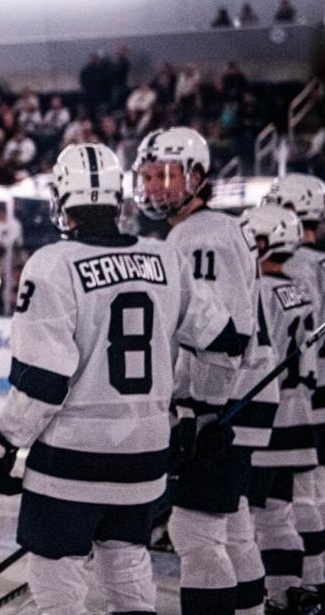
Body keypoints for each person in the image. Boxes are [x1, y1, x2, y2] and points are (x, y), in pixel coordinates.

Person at [0, 143, 241, 615]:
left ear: (62, 198)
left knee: (56, 576)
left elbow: (44, 380)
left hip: (72, 456)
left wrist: (4, 443)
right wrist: (194, 409)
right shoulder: (165, 258)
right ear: (119, 195)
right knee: (127, 568)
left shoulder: (52, 263)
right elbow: (224, 338)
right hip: (145, 455)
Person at [134, 128, 261, 615]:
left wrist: (202, 412)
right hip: (220, 405)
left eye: (165, 175)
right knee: (232, 528)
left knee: (195, 531)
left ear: (198, 176)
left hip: (213, 409)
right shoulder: (199, 231)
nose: (154, 187)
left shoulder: (203, 235)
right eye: (147, 176)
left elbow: (222, 337)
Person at [262, 174, 325, 610]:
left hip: (301, 390)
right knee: (318, 488)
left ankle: (315, 582)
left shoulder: (296, 264)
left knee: (300, 494)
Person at [239, 206, 325, 615]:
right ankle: (292, 590)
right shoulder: (299, 289)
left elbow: (254, 355)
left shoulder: (257, 290)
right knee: (279, 511)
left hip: (267, 417)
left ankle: (257, 599)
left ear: (261, 241)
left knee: (247, 517)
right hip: (299, 413)